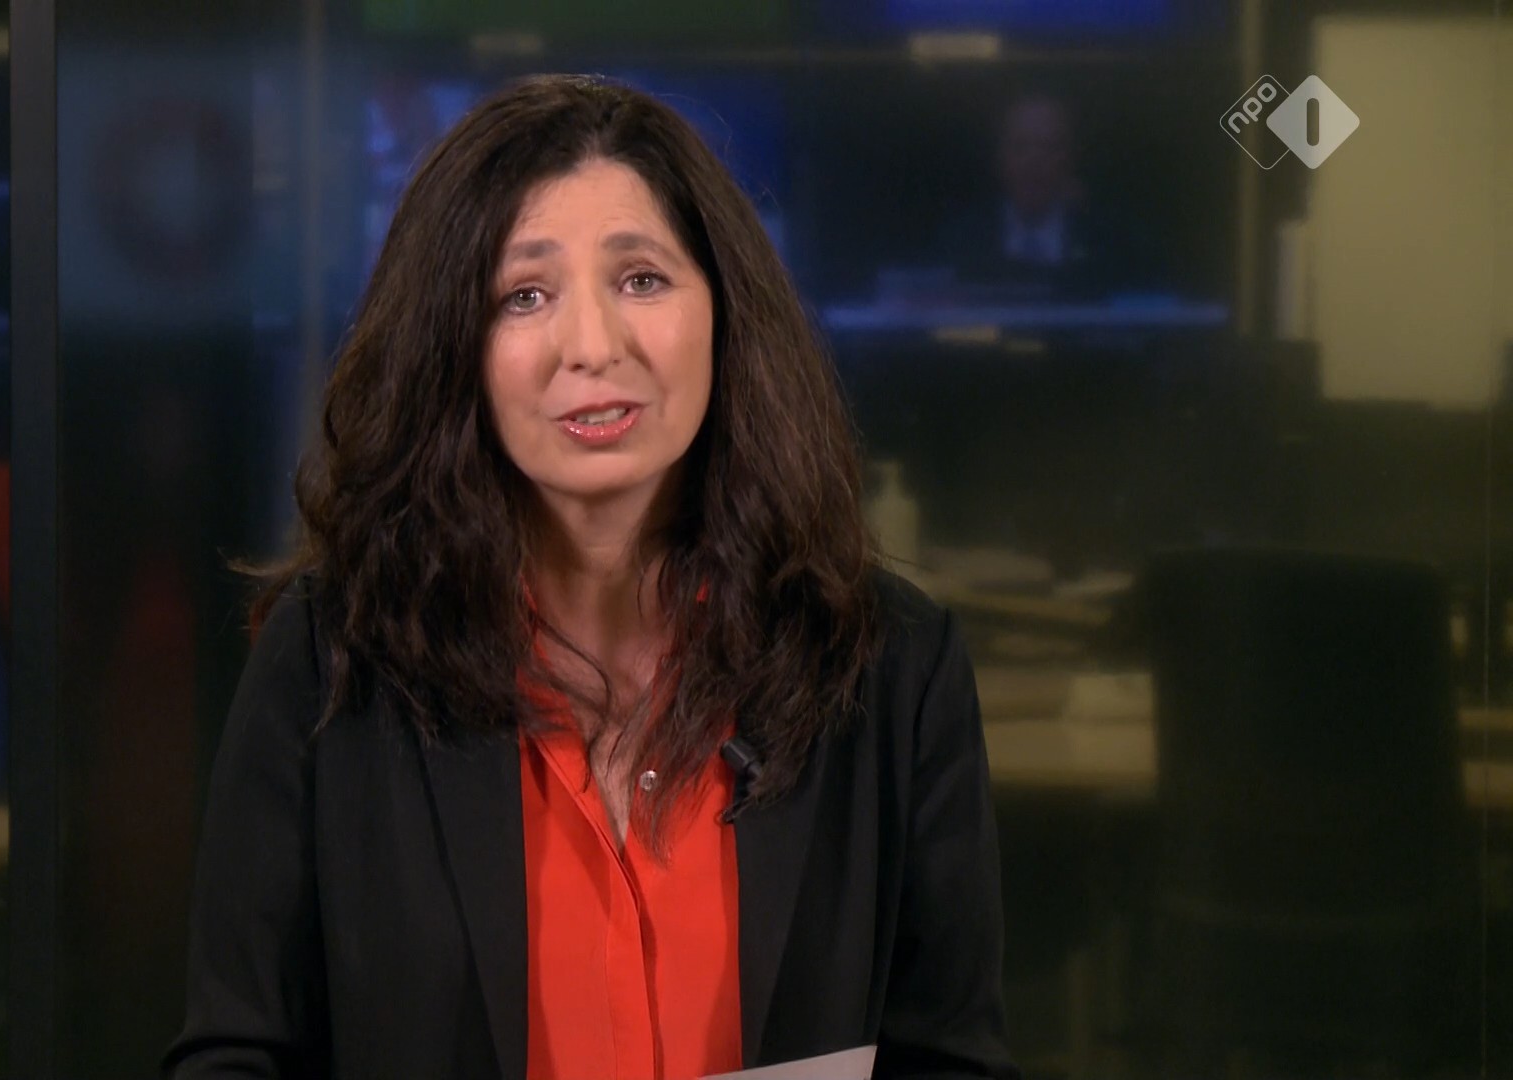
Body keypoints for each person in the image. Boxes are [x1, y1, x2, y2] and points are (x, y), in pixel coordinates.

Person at [164, 74, 1016, 1080]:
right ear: (453, 349)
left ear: (725, 310)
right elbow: (237, 1054)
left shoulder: (890, 666)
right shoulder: (330, 660)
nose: (593, 347)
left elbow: (946, 1059)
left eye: (641, 280)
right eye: (524, 296)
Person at [937, 92, 1155, 298]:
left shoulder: (1112, 243)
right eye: (1020, 146)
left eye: (1049, 147)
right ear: (1000, 157)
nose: (1033, 161)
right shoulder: (959, 241)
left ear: (1071, 157)